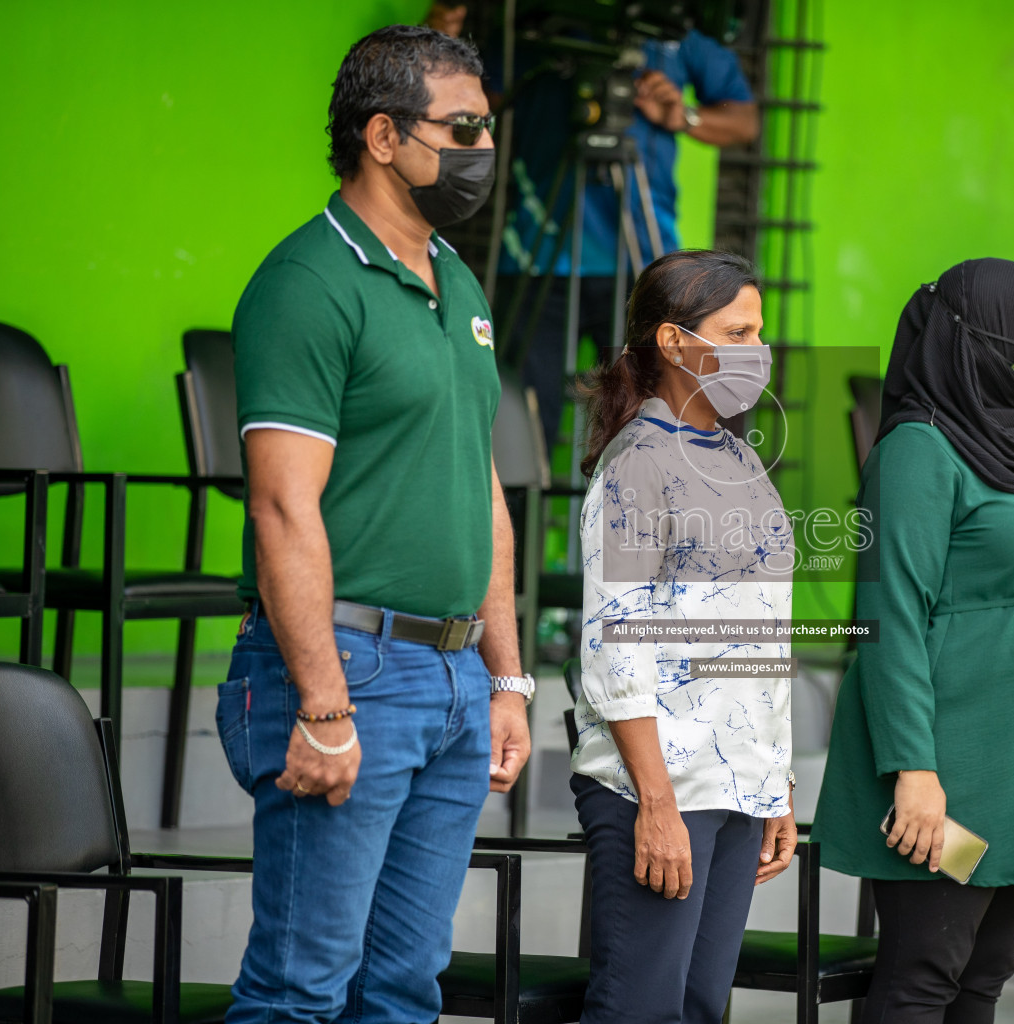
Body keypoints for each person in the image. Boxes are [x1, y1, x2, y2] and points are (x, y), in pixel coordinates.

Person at [220, 25, 533, 1023]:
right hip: (350, 670)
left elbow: (479, 492)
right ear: (384, 136)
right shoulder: (308, 283)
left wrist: (507, 677)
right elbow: (281, 505)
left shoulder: (459, 281)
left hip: (449, 677)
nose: (484, 150)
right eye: (464, 128)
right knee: (299, 988)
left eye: (488, 128)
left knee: (403, 987)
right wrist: (321, 703)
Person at [813, 258, 1014, 1024]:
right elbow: (889, 618)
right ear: (983, 339)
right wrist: (914, 772)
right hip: (952, 775)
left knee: (985, 974)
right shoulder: (920, 450)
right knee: (927, 972)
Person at [570, 248, 798, 1023]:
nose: (756, 349)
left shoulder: (741, 459)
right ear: (673, 341)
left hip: (736, 781)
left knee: (701, 1005)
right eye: (737, 331)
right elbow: (616, 643)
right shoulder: (638, 463)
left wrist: (776, 785)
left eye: (759, 331)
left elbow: (764, 633)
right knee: (639, 1008)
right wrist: (655, 803)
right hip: (660, 783)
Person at [457, 3, 760, 449]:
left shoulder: (671, 31)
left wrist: (684, 116)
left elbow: (745, 120)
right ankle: (516, 517)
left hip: (644, 267)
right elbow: (472, 101)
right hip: (536, 258)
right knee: (516, 431)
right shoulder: (543, 27)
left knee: (659, 421)